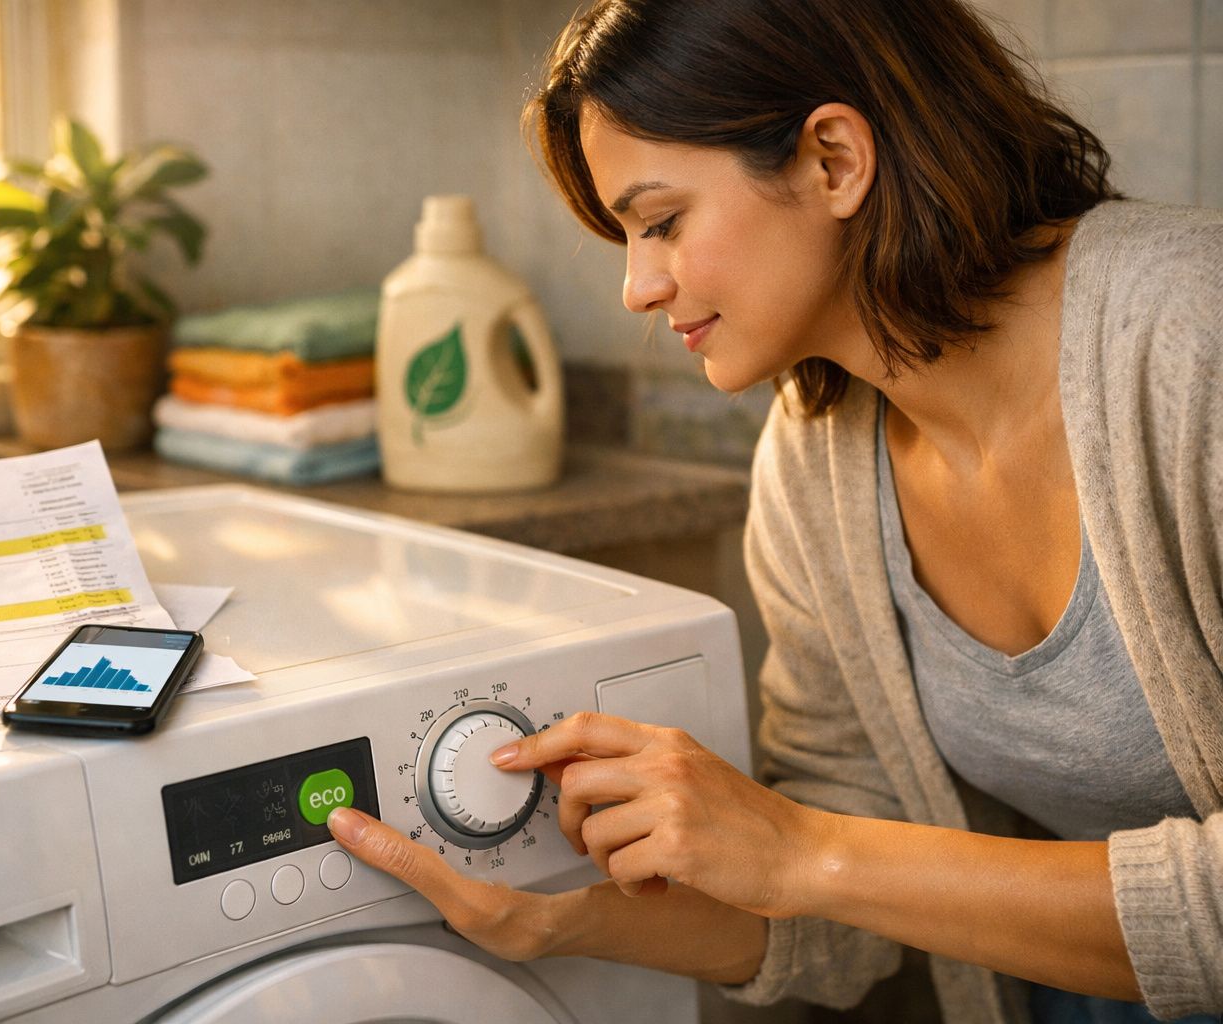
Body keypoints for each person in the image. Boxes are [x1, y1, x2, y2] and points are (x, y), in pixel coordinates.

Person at [326, 1, 1223, 1021]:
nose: (636, 287)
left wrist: (801, 847)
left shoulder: (1195, 338)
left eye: (662, 222)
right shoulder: (816, 457)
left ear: (834, 161)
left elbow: (822, 859)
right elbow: (846, 899)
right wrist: (546, 922)